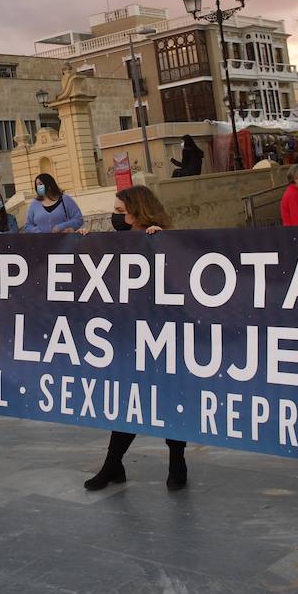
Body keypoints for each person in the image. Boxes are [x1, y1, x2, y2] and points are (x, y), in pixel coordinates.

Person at [82, 185, 189, 491]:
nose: (117, 218)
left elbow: (184, 276)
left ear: (138, 210)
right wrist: (86, 244)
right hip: (130, 332)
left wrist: (163, 244)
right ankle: (113, 465)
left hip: (165, 331)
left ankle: (177, 461)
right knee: (129, 400)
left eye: (121, 212)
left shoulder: (163, 237)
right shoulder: (119, 242)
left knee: (169, 397)